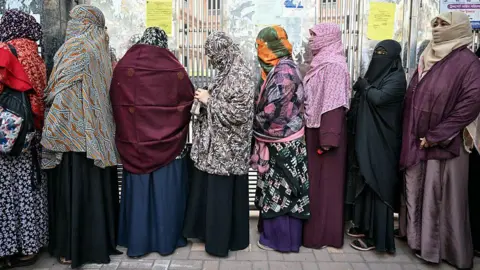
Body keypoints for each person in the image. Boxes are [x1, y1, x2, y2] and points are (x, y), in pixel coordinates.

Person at [41, 5, 120, 268]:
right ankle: (99, 244)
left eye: (73, 20)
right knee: (94, 190)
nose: (68, 26)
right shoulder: (102, 47)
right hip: (98, 135)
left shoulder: (75, 48)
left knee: (73, 192)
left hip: (71, 135)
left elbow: (57, 91)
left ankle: (71, 248)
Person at [400, 11, 480, 269]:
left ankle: (445, 250)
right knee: (418, 189)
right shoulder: (427, 55)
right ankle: (419, 242)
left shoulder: (468, 62)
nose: (436, 28)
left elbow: (470, 104)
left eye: (444, 24)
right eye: (434, 23)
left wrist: (436, 136)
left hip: (447, 143)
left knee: (443, 197)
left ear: (459, 28)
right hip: (417, 139)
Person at [111, 27, 194, 258]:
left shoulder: (125, 65)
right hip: (169, 146)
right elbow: (187, 95)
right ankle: (166, 240)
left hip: (134, 143)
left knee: (138, 194)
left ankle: (135, 242)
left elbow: (115, 100)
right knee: (166, 195)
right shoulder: (172, 67)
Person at [183, 32, 254, 257]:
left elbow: (240, 113)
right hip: (220, 150)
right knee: (218, 197)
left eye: (212, 55)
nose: (210, 60)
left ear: (222, 53)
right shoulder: (226, 72)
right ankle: (219, 237)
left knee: (222, 198)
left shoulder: (239, 75)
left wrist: (209, 100)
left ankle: (220, 243)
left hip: (229, 152)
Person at [252, 25, 310, 253]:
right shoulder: (280, 68)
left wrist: (252, 122)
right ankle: (276, 237)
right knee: (279, 191)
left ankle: (281, 241)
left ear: (271, 47)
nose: (258, 51)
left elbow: (274, 113)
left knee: (281, 192)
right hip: (283, 142)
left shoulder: (283, 73)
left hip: (283, 144)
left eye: (261, 46)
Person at [346, 40, 406, 253]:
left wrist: (365, 87)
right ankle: (364, 226)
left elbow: (379, 99)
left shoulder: (397, 79)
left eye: (384, 53)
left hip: (384, 142)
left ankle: (378, 238)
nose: (379, 57)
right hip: (367, 139)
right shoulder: (377, 75)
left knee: (379, 186)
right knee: (366, 182)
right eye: (377, 52)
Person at [0, 9, 47, 269]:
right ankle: (31, 245)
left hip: (8, 134)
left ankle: (7, 247)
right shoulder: (36, 55)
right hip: (31, 133)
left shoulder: (6, 50)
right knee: (30, 188)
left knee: (7, 192)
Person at [300, 23, 349, 249]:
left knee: (325, 186)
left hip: (326, 135)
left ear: (328, 38)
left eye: (315, 36)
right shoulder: (320, 62)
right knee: (315, 186)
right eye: (310, 35)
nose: (311, 40)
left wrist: (328, 138)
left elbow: (334, 102)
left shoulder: (334, 66)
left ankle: (323, 235)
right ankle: (313, 232)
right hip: (314, 129)